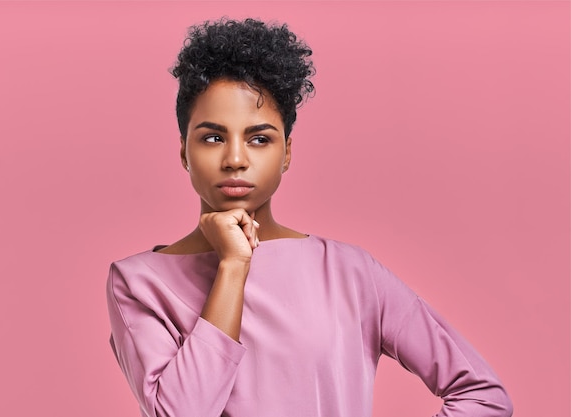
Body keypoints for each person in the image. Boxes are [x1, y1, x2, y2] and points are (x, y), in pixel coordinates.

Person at [106, 18, 513, 417]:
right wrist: (233, 265)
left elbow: (482, 396)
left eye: (259, 139)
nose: (234, 160)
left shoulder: (349, 272)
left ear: (286, 153)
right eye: (213, 138)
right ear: (184, 152)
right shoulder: (139, 283)